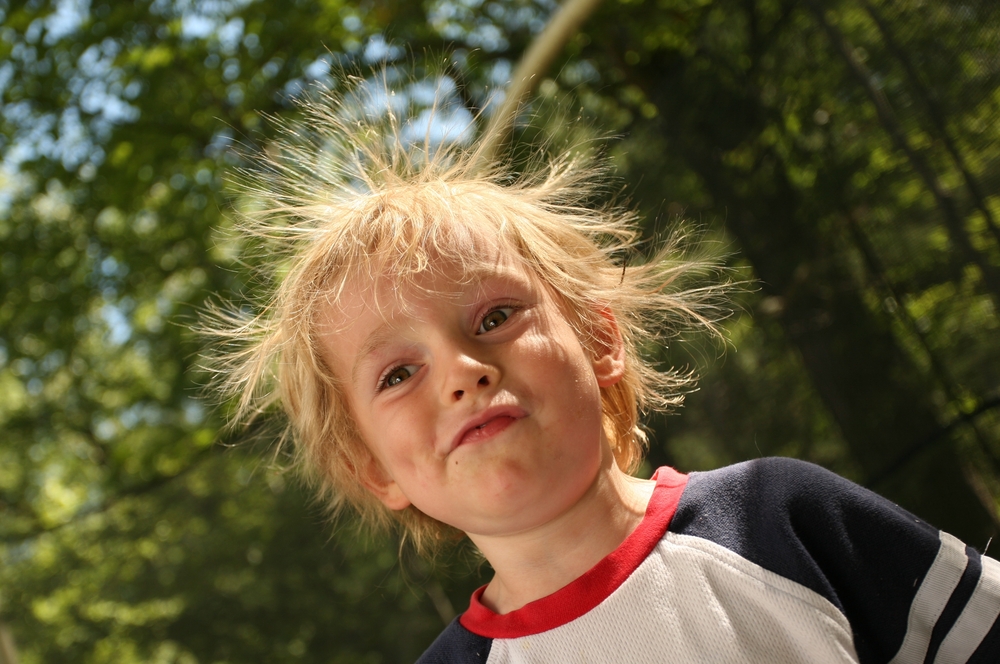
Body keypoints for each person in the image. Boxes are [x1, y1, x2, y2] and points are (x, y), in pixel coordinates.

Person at [209, 77, 1000, 663]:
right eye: (395, 374)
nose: (462, 371)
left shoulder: (779, 520)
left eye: (493, 318)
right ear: (372, 468)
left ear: (598, 339)